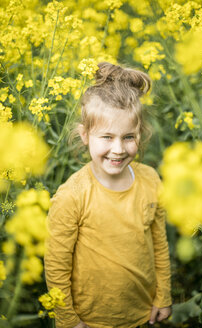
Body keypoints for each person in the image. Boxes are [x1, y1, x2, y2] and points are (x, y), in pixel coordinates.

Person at [44, 62, 172, 328]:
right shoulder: (72, 195)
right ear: (85, 136)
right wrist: (69, 321)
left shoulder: (150, 179)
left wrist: (163, 296)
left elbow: (159, 244)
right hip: (90, 321)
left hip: (141, 314)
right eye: (106, 137)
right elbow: (56, 267)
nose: (118, 149)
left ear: (140, 134)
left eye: (128, 137)